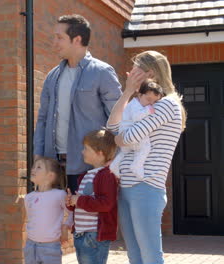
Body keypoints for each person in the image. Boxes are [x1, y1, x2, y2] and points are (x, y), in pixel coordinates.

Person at [107, 50, 186, 264]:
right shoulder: (142, 105)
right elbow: (113, 128)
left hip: (147, 187)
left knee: (150, 256)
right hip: (128, 187)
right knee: (135, 256)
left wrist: (119, 139)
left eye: (136, 68)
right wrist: (127, 93)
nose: (131, 72)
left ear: (150, 73)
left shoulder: (167, 104)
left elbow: (129, 137)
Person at [34, 14, 122, 193]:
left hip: (88, 167)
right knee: (56, 220)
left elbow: (119, 119)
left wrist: (115, 160)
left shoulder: (102, 72)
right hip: (53, 167)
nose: (54, 42)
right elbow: (42, 119)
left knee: (86, 220)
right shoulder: (52, 76)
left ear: (77, 39)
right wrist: (38, 156)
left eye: (59, 37)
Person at [65, 129, 118, 264]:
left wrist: (80, 200)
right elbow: (82, 204)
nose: (82, 152)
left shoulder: (107, 175)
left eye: (86, 149)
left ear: (99, 153)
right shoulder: (86, 175)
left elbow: (106, 204)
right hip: (81, 234)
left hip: (94, 236)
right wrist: (71, 202)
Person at [109, 79, 165, 179]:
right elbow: (136, 117)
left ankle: (114, 165)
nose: (151, 104)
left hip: (125, 137)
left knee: (124, 153)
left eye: (155, 101)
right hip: (129, 135)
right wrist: (148, 111)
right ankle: (137, 165)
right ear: (139, 95)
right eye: (148, 99)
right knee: (146, 147)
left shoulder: (137, 103)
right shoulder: (135, 105)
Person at [24, 157, 72, 264]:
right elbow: (31, 218)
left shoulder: (59, 195)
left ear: (50, 176)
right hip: (30, 246)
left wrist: (65, 227)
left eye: (39, 167)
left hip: (50, 247)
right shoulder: (29, 197)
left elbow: (72, 213)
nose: (33, 170)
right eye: (33, 167)